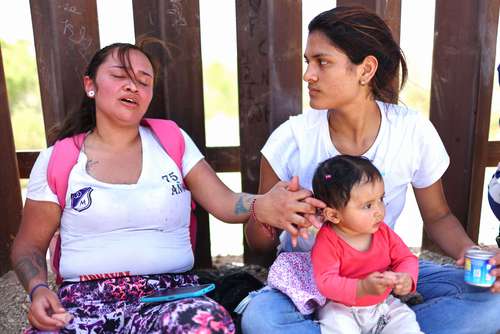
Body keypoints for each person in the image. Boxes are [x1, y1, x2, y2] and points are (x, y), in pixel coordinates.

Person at [10, 41, 315, 334]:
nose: (133, 86)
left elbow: (225, 202)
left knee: (204, 322)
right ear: (90, 85)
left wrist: (264, 204)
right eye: (119, 76)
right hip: (83, 303)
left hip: (169, 297)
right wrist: (38, 290)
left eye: (144, 81)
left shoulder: (171, 142)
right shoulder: (59, 159)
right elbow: (28, 247)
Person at [242, 6, 500, 334]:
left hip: (382, 271)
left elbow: (438, 217)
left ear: (366, 69)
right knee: (262, 319)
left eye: (322, 62)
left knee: (493, 302)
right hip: (309, 275)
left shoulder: (411, 131)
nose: (309, 75)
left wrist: (476, 257)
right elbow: (258, 247)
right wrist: (265, 216)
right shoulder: (291, 139)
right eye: (308, 62)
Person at [311, 155, 421, 333]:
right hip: (341, 308)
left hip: (382, 304)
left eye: (381, 199)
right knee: (338, 327)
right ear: (333, 215)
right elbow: (325, 281)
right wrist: (361, 287)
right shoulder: (328, 240)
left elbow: (405, 258)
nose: (379, 211)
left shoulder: (383, 232)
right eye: (368, 206)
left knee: (405, 322)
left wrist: (406, 277)